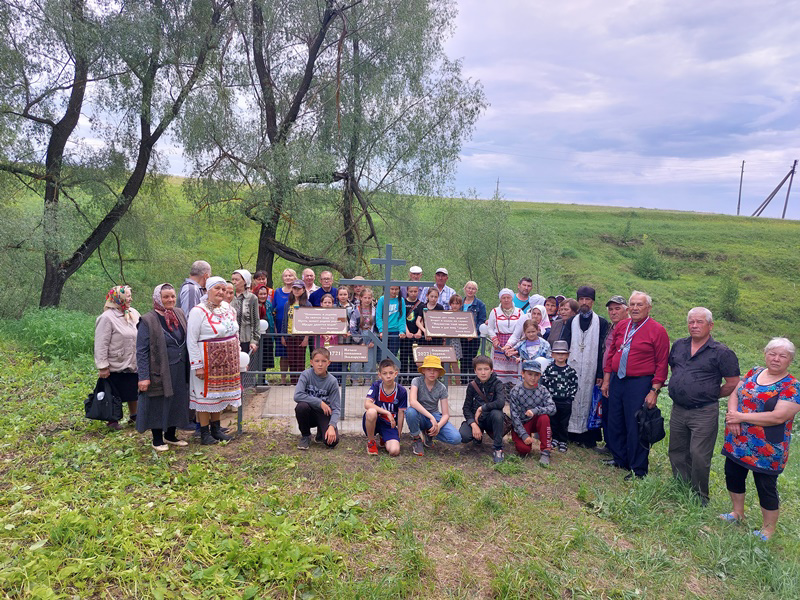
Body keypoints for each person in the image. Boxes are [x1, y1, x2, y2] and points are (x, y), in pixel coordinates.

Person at [720, 338, 799, 540]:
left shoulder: (792, 386)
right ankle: (737, 513)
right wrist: (732, 416)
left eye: (782, 356)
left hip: (768, 447)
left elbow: (779, 416)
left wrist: (741, 417)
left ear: (790, 360)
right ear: (765, 354)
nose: (776, 359)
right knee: (733, 474)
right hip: (737, 439)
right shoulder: (754, 372)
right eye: (772, 353)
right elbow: (736, 393)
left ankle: (768, 529)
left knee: (765, 485)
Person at [668, 307, 740, 504]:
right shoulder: (679, 345)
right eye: (691, 322)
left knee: (699, 455)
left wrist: (709, 394)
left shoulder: (722, 352)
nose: (694, 325)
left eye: (699, 322)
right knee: (676, 450)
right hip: (679, 409)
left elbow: (733, 382)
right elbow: (674, 368)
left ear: (710, 325)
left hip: (704, 412)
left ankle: (700, 495)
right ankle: (681, 486)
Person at [602, 291, 670, 479]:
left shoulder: (657, 330)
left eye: (639, 305)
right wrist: (607, 380)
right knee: (616, 420)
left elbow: (662, 363)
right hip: (617, 379)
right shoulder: (622, 325)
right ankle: (620, 458)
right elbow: (612, 353)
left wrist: (654, 390)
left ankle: (638, 468)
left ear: (648, 307)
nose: (635, 308)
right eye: (632, 304)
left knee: (635, 424)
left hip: (639, 382)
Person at [136, 284, 191, 451]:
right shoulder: (148, 320)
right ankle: (157, 438)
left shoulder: (179, 313)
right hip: (159, 369)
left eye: (173, 296)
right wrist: (143, 376)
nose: (170, 300)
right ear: (158, 298)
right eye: (166, 297)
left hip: (180, 367)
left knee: (177, 399)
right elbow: (142, 351)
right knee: (158, 401)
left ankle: (171, 435)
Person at [186, 276, 240, 445]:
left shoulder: (228, 308)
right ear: (208, 290)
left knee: (219, 397)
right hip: (206, 362)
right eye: (217, 288)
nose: (221, 292)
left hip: (226, 363)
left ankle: (216, 429)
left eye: (224, 289)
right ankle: (204, 432)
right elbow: (191, 339)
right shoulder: (198, 311)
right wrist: (198, 365)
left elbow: (234, 332)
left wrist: (236, 353)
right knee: (205, 397)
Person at [562, 286, 609, 448]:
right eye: (581, 299)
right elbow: (564, 344)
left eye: (587, 299)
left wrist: (600, 372)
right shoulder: (571, 321)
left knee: (590, 401)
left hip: (591, 368)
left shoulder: (602, 323)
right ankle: (571, 434)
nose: (584, 303)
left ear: (593, 302)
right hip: (573, 367)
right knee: (572, 398)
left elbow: (604, 349)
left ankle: (588, 438)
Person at [94, 285, 141, 430]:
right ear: (117, 298)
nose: (130, 299)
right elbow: (101, 342)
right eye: (127, 296)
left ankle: (135, 416)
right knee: (113, 391)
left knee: (132, 388)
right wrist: (102, 365)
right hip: (115, 362)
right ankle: (112, 419)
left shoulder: (133, 313)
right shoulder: (107, 318)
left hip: (132, 359)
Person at [406, 355, 462, 455]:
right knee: (410, 412)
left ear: (439, 373)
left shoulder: (441, 388)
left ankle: (429, 434)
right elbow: (413, 402)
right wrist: (430, 417)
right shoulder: (416, 381)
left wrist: (438, 426)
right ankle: (416, 439)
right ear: (423, 371)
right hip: (420, 414)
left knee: (456, 438)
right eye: (429, 369)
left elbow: (445, 414)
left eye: (435, 370)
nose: (432, 372)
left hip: (434, 415)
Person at [460, 355, 508, 463]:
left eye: (486, 369)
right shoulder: (472, 385)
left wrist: (482, 408)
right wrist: (473, 424)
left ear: (491, 370)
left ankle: (498, 448)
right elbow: (466, 408)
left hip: (491, 418)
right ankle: (477, 436)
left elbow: (500, 403)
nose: (483, 372)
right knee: (463, 436)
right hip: (477, 420)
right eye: (479, 369)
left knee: (497, 414)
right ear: (475, 371)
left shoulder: (497, 384)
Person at [510, 360, 556, 466]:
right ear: (523, 374)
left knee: (544, 418)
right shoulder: (515, 391)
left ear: (540, 376)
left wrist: (536, 411)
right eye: (530, 374)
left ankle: (546, 450)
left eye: (536, 375)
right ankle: (521, 438)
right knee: (523, 450)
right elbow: (515, 416)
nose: (533, 378)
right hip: (522, 423)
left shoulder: (543, 390)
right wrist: (524, 435)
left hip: (536, 421)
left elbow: (552, 408)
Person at [294, 348, 341, 450]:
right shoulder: (306, 375)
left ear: (328, 363)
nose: (320, 364)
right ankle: (306, 436)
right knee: (301, 406)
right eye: (317, 361)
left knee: (332, 442)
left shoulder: (332, 381)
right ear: (311, 362)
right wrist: (319, 402)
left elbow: (336, 408)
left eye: (324, 361)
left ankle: (321, 431)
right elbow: (297, 395)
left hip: (324, 413)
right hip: (309, 412)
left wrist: (332, 426)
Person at [364, 359, 407, 456]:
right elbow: (367, 404)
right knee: (371, 412)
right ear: (379, 375)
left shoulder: (401, 391)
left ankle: (384, 438)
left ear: (396, 374)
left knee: (394, 451)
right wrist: (386, 412)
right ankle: (371, 442)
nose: (388, 376)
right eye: (385, 373)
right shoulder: (376, 386)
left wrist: (398, 434)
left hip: (389, 425)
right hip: (376, 421)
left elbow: (401, 413)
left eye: (391, 373)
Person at [541, 340, 579, 453]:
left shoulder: (571, 371)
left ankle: (563, 441)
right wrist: (547, 399)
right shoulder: (549, 369)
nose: (561, 356)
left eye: (563, 354)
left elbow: (574, 385)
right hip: (552, 401)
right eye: (558, 353)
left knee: (564, 422)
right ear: (552, 355)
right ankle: (555, 439)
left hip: (565, 402)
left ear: (567, 355)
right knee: (553, 421)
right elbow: (545, 384)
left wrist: (570, 398)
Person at [487, 289, 524, 384]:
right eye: (504, 298)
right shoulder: (495, 312)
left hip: (514, 343)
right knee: (499, 372)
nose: (506, 300)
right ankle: (500, 389)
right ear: (500, 299)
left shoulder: (519, 312)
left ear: (512, 298)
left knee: (514, 370)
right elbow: (490, 328)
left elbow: (522, 328)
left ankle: (513, 390)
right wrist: (494, 339)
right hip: (499, 344)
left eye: (508, 297)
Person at [281, 280, 311, 384]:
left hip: (301, 336)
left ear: (303, 290)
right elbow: (284, 320)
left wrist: (306, 338)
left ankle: (300, 382)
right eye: (294, 288)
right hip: (289, 335)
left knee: (300, 360)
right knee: (291, 359)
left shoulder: (307, 304)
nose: (296, 291)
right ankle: (293, 381)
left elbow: (309, 323)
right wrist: (283, 336)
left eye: (299, 289)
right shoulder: (287, 304)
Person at [273, 268, 297, 384]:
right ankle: (283, 379)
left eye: (290, 275)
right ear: (283, 278)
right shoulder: (277, 292)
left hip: (295, 327)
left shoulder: (297, 291)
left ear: (294, 277)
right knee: (283, 355)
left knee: (294, 354)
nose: (288, 277)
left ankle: (294, 379)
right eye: (286, 276)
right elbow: (273, 310)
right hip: (280, 327)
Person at [461, 281, 487, 379]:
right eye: (469, 288)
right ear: (465, 289)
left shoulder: (480, 305)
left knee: (472, 359)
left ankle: (472, 381)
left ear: (476, 291)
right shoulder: (460, 302)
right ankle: (462, 380)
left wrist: (473, 333)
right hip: (461, 337)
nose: (470, 290)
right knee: (462, 359)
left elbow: (481, 321)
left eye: (473, 289)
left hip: (474, 337)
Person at [315, 294, 343, 382]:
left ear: (333, 304)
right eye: (325, 302)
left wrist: (332, 335)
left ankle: (334, 383)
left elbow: (340, 327)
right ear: (321, 303)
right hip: (320, 343)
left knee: (333, 364)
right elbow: (313, 326)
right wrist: (322, 334)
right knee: (321, 363)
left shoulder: (338, 314)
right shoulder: (316, 314)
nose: (327, 304)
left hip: (333, 343)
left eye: (329, 302)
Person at [231, 269, 259, 356]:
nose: (234, 282)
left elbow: (255, 321)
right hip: (230, 339)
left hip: (245, 339)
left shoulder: (252, 298)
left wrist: (254, 341)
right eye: (233, 279)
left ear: (245, 281)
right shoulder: (229, 296)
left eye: (237, 280)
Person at [375, 285, 406, 362]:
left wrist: (402, 330)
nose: (394, 291)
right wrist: (381, 330)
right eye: (392, 289)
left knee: (392, 356)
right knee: (380, 357)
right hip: (384, 332)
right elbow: (378, 316)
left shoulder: (401, 300)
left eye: (396, 289)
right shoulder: (382, 299)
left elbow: (402, 317)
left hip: (395, 332)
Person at [400, 286, 423, 381]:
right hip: (406, 335)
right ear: (407, 291)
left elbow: (422, 319)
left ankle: (414, 379)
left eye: (415, 291)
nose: (413, 293)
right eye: (411, 291)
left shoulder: (421, 304)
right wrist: (406, 331)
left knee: (415, 358)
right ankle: (404, 378)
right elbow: (401, 318)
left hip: (417, 336)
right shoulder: (403, 303)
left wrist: (419, 331)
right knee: (404, 357)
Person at [253, 283, 276, 374]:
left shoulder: (269, 305)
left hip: (267, 336)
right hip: (257, 336)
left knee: (265, 360)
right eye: (260, 294)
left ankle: (262, 379)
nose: (263, 296)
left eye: (265, 294)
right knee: (256, 359)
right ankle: (254, 380)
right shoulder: (253, 305)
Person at [446, 294, 464, 383]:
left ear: (460, 305)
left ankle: (457, 383)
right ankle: (448, 383)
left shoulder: (462, 315)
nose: (454, 306)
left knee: (454, 363)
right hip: (446, 341)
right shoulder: (446, 314)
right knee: (446, 364)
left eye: (457, 303)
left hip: (456, 341)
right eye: (453, 303)